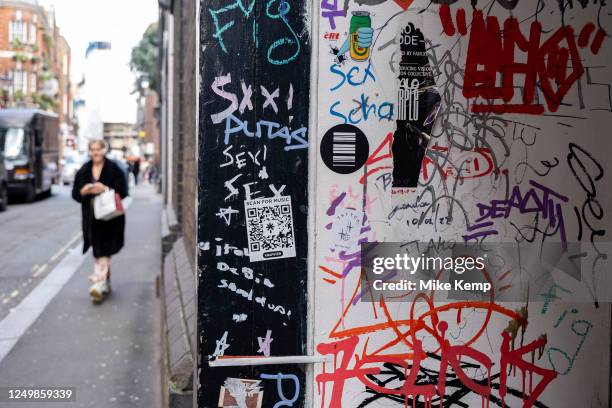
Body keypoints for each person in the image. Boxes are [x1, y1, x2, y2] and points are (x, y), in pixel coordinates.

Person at [72, 139, 128, 302]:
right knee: (99, 251)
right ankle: (105, 283)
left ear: (104, 150)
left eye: (98, 149)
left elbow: (123, 191)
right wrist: (83, 191)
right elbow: (75, 194)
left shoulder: (114, 169)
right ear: (89, 152)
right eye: (93, 149)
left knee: (104, 251)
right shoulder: (84, 171)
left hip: (111, 218)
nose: (96, 152)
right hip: (92, 220)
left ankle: (98, 284)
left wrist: (105, 189)